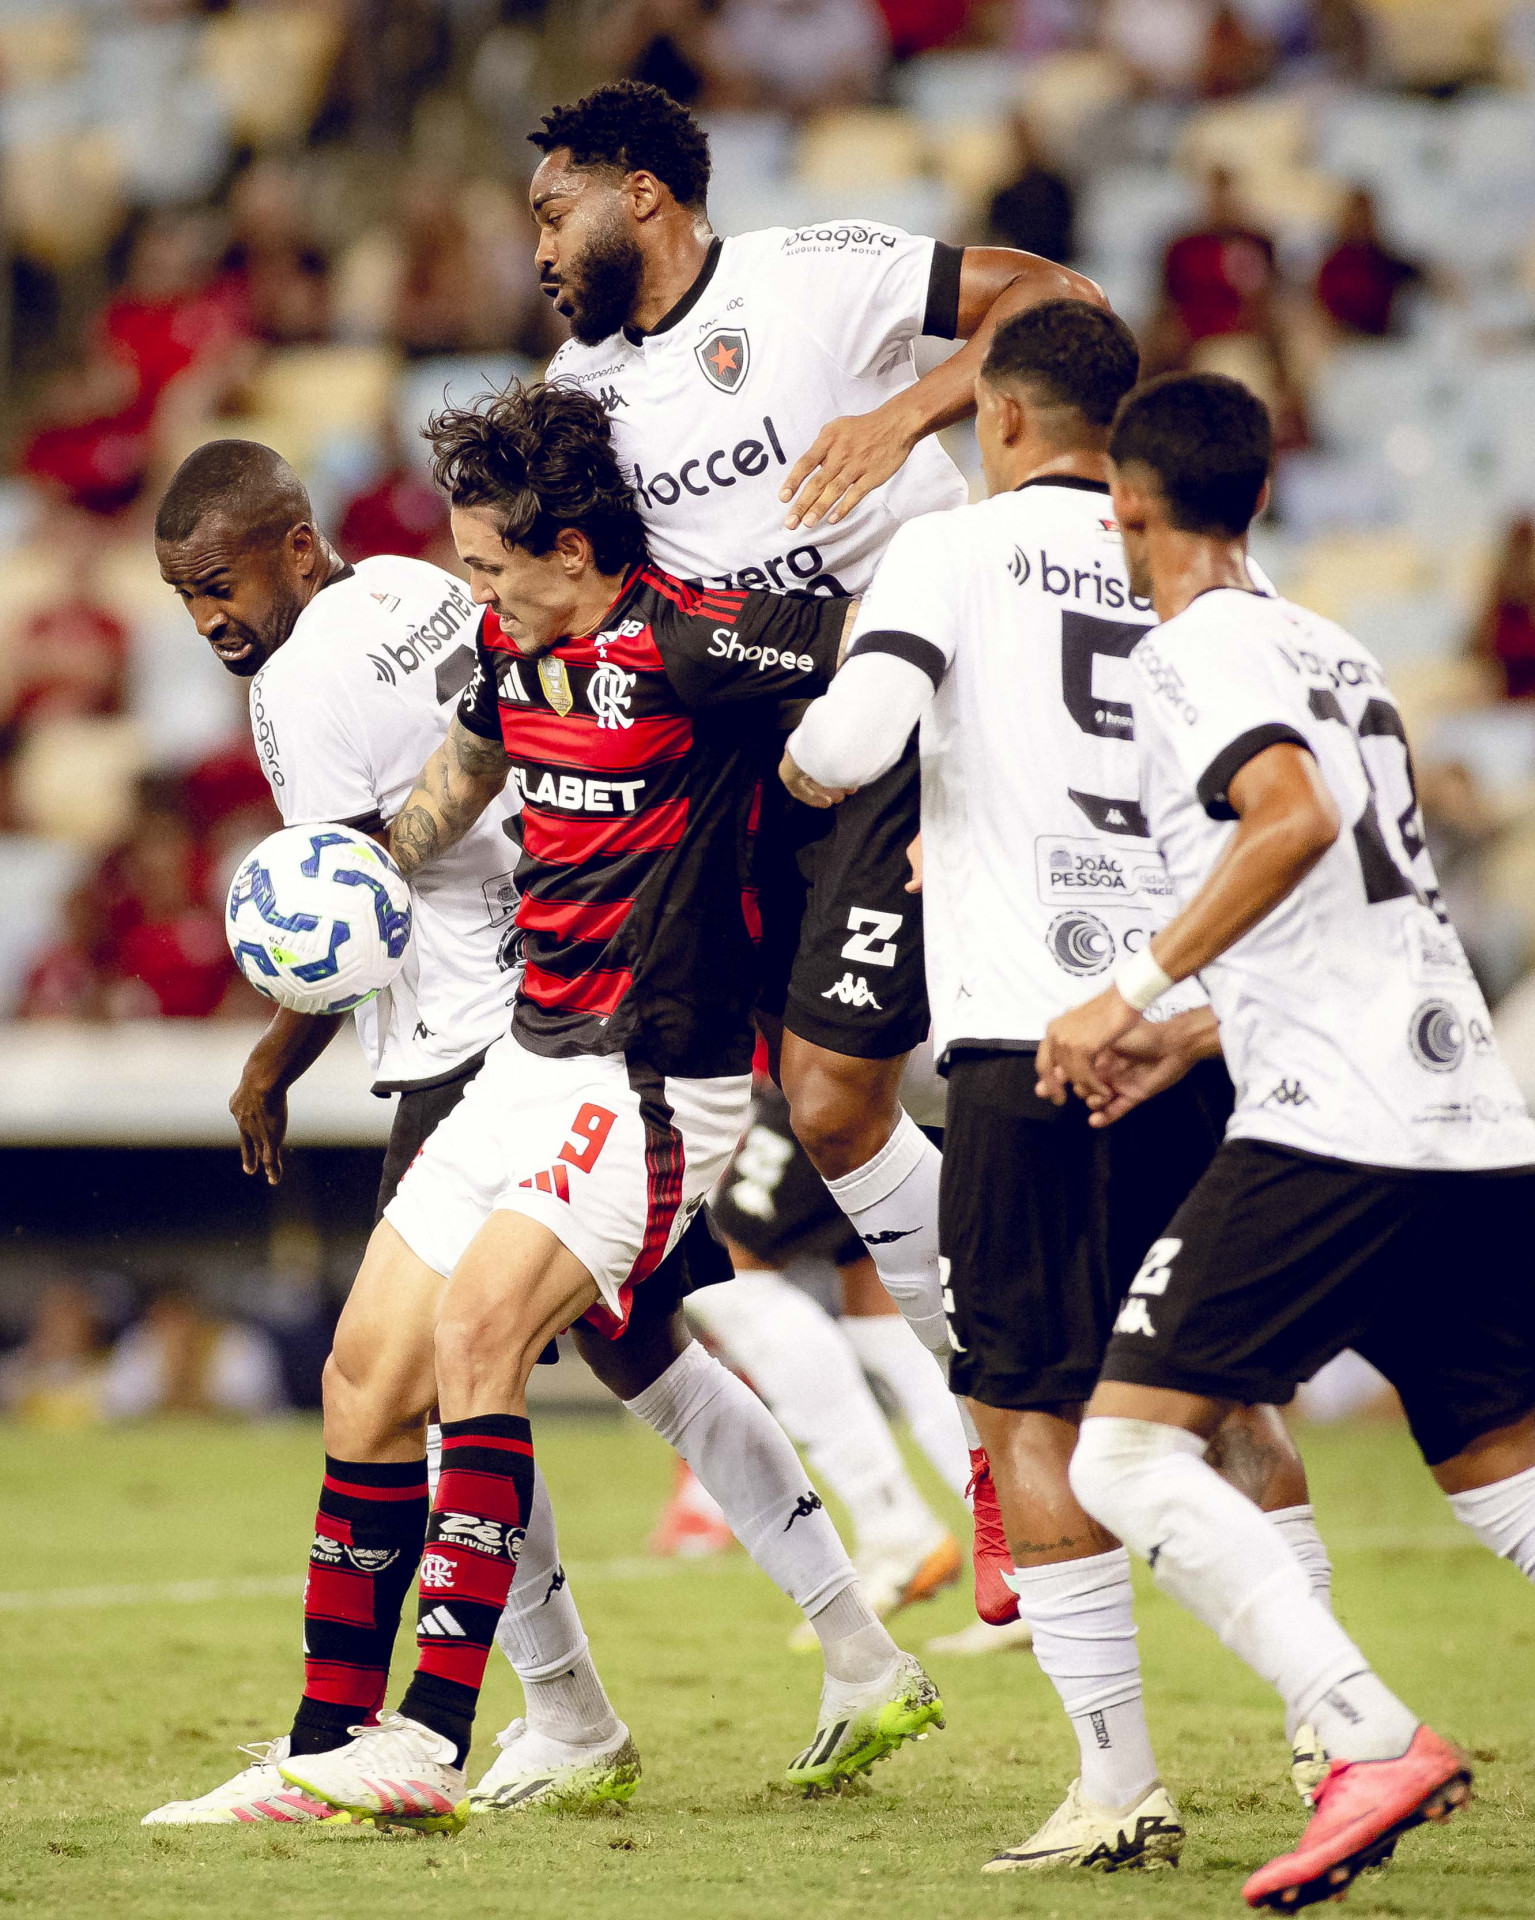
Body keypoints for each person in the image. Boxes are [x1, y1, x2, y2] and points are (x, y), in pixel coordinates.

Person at [165, 386, 941, 1830]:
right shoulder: (513, 657)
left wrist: (928, 831)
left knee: (479, 1337)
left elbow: (886, 656)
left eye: (487, 570)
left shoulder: (698, 646)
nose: (470, 599)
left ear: (571, 551)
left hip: (654, 1069)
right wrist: (346, 886)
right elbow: (454, 782)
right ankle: (327, 1743)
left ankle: (441, 1735)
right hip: (527, 1051)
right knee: (364, 1375)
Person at [529, 78, 1104, 1623]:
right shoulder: (580, 384)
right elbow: (560, 571)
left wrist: (905, 408)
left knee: (841, 1102)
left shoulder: (811, 276)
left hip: (881, 703)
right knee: (704, 1129)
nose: (538, 244)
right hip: (726, 751)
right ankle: (886, 1483)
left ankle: (992, 1444)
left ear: (641, 191)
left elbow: (1063, 306)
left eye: (554, 208)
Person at [781, 302, 1336, 1872]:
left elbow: (860, 726)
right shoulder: (1204, 560)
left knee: (1021, 1405)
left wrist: (819, 774)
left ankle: (1118, 1782)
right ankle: (1321, 1729)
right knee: (1220, 1397)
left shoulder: (954, 550)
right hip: (1180, 1027)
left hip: (1029, 1038)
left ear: (1001, 424)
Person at [1035, 371, 1535, 1910]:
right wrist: (1185, 1031)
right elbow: (1353, 900)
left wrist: (1120, 990)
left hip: (1339, 1126)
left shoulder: (1194, 647)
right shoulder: (1334, 640)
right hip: (1459, 1108)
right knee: (1508, 1478)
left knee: (1122, 1448)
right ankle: (1363, 1731)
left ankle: (1365, 1734)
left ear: (1130, 503)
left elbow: (1293, 821)